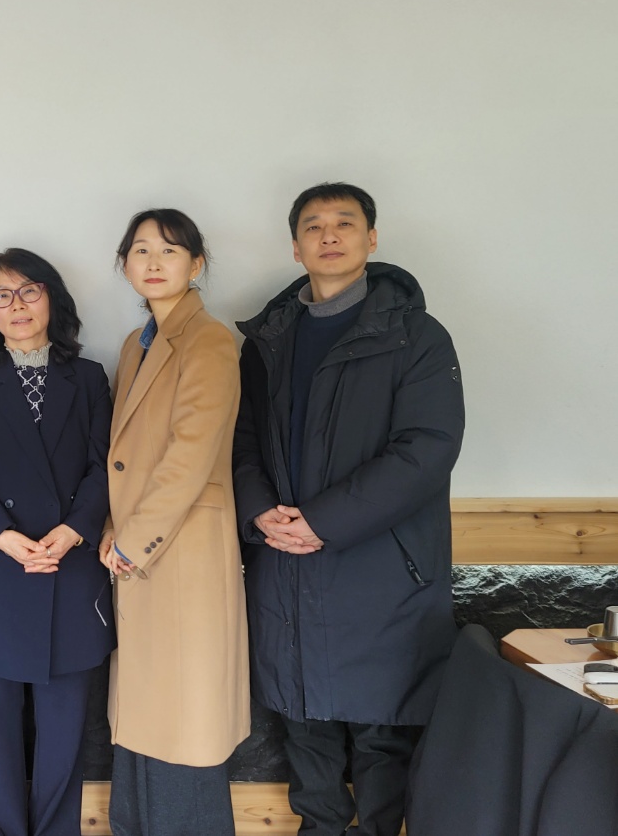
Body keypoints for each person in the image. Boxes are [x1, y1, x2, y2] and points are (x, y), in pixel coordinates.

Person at [233, 182, 465, 836]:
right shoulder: (268, 341)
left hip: (380, 568)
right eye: (313, 225)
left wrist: (323, 522)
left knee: (381, 734)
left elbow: (426, 447)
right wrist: (260, 513)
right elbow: (241, 442)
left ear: (371, 238)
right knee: (303, 727)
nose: (328, 234)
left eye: (344, 222)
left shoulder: (415, 336)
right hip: (285, 564)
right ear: (295, 246)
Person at [0, 249, 112, 836]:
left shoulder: (88, 378)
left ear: (52, 299)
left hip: (70, 566)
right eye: (1, 295)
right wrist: (2, 534)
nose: (16, 306)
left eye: (29, 291)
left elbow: (106, 465)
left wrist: (73, 529)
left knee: (65, 736)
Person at [98, 209, 249, 836]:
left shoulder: (208, 340)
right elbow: (124, 458)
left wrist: (132, 540)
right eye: (141, 250)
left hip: (179, 552)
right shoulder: (136, 346)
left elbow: (191, 453)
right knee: (146, 716)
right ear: (125, 265)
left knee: (185, 721)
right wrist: (113, 531)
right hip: (138, 550)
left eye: (169, 250)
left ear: (196, 264)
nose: (154, 262)